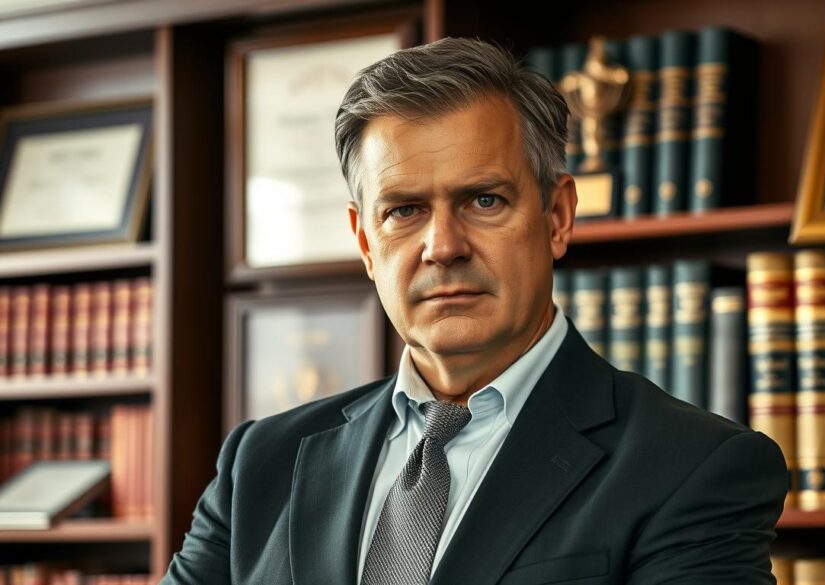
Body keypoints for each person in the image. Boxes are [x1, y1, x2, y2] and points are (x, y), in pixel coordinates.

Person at [161, 37, 788, 585]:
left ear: (557, 217)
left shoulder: (692, 467)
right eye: (403, 211)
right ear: (365, 243)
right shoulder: (262, 462)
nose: (443, 247)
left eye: (484, 200)